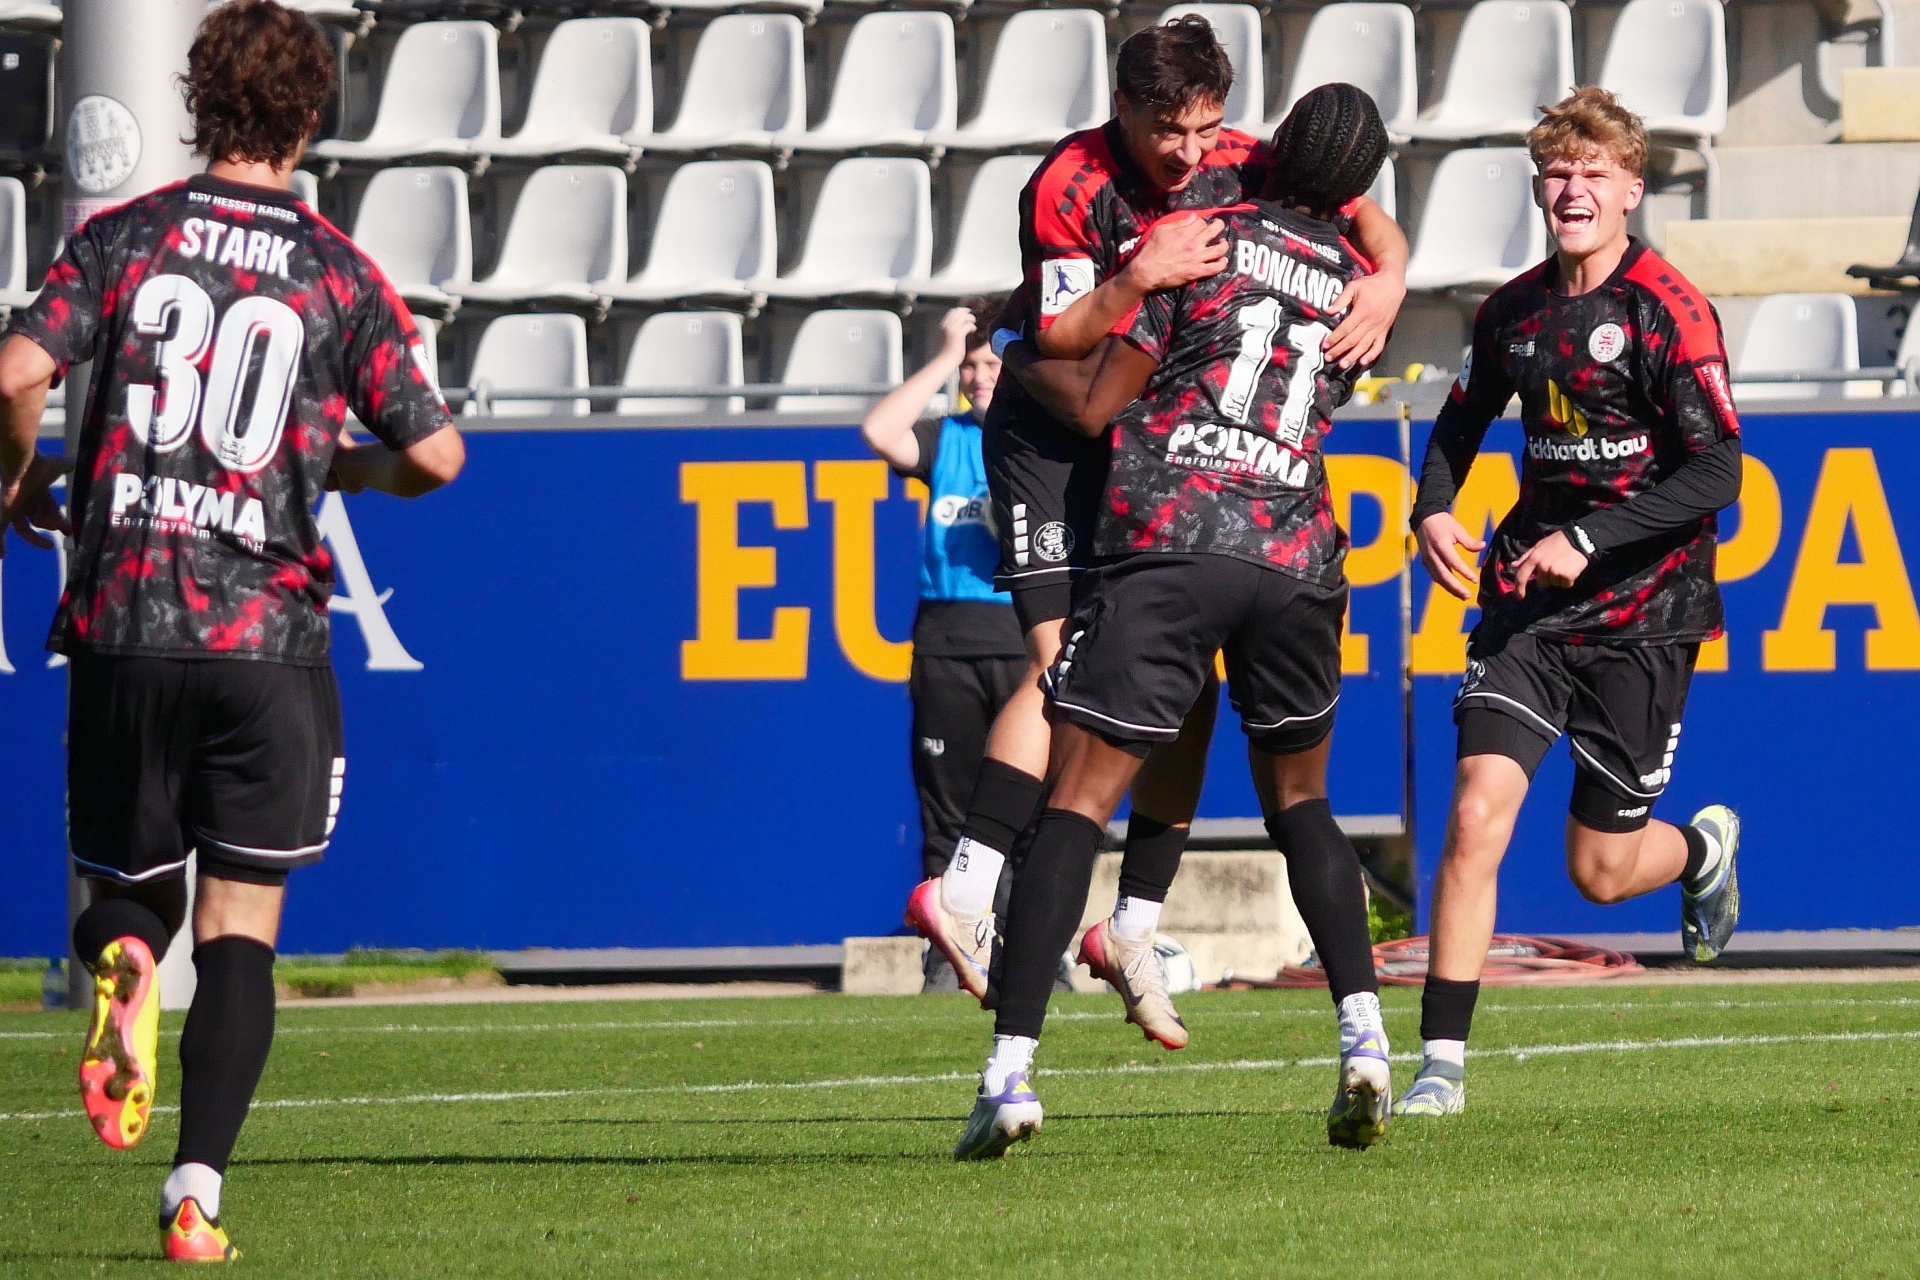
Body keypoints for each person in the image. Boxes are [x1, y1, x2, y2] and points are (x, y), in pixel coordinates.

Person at [0, 0, 463, 1260]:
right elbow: (437, 454)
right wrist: (352, 470)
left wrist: (13, 477)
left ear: (200, 104)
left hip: (125, 616)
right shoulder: (337, 271)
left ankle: (123, 960)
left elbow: (17, 371)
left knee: (125, 891)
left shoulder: (124, 236)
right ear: (309, 117)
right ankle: (194, 1193)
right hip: (265, 637)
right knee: (241, 927)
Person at [907, 17, 1410, 1051]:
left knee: (1182, 680)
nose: (1190, 153)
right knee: (1066, 671)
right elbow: (1057, 340)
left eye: (1206, 131)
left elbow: (1371, 216)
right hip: (1053, 426)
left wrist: (1391, 277)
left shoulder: (1242, 159)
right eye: (1168, 131)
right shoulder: (1069, 183)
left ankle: (1132, 919)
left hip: (1141, 433)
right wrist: (1140, 274)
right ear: (1123, 109)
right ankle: (966, 883)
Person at [1394, 87, 1743, 1122]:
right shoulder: (1513, 311)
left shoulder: (1668, 309)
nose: (1573, 189)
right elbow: (1459, 425)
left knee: (1600, 871)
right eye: (1557, 172)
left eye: (1595, 172)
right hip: (1528, 608)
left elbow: (1719, 468)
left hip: (1645, 612)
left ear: (1632, 188)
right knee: (1475, 813)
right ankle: (1440, 1065)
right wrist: (1432, 507)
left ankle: (1701, 848)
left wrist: (1588, 538)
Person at [862, 304, 1028, 990]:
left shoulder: (1036, 440)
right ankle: (947, 959)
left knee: (1027, 811)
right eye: (971, 366)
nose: (978, 376)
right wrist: (943, 354)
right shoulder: (947, 438)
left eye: (991, 364)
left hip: (1023, 642)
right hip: (945, 644)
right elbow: (879, 431)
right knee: (947, 813)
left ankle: (1030, 957)